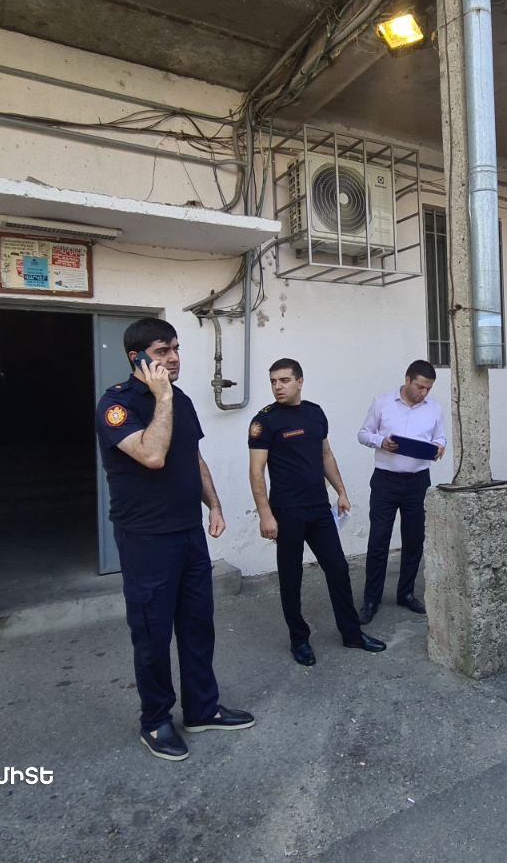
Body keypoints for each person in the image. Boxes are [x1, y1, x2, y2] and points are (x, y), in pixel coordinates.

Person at [95, 316, 254, 762]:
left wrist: (214, 505)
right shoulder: (117, 404)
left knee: (198, 624)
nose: (174, 358)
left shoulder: (180, 400)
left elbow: (192, 457)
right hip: (146, 538)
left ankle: (202, 709)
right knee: (152, 633)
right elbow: (152, 454)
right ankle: (155, 720)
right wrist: (162, 397)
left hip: (188, 532)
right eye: (162, 351)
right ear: (137, 358)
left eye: (176, 349)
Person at [249, 358, 387, 665]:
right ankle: (299, 639)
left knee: (337, 568)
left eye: (284, 380)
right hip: (286, 511)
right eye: (273, 381)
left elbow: (326, 455)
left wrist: (341, 492)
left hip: (319, 508)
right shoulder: (265, 421)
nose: (277, 387)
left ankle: (351, 633)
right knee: (291, 577)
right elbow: (256, 471)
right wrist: (265, 514)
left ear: (300, 381)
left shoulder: (315, 413)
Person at [355, 359, 447, 624]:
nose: (424, 393)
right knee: (379, 540)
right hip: (385, 480)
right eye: (420, 387)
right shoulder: (382, 402)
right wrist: (380, 441)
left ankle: (405, 593)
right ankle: (371, 599)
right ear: (407, 380)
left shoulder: (435, 409)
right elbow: (363, 434)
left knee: (414, 540)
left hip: (418, 482)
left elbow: (439, 437)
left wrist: (439, 446)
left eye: (428, 389)